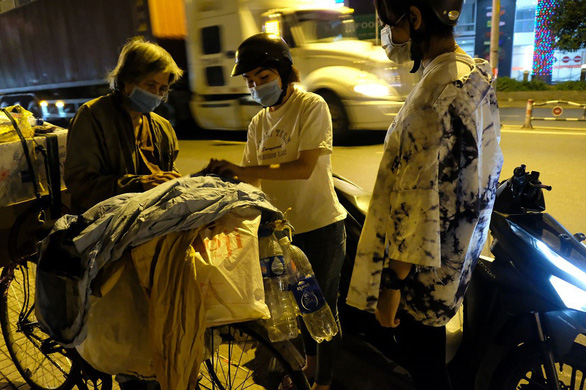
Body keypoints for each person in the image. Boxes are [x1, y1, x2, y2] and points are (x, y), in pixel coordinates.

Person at [346, 0, 504, 389]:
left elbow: (419, 206)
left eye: (390, 25)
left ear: (415, 19)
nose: (388, 36)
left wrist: (392, 285)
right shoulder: (475, 72)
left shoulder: (432, 100)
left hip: (423, 276)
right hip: (458, 256)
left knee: (426, 370)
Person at [205, 33, 347, 390]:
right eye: (250, 80)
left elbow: (303, 167)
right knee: (291, 307)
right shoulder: (258, 123)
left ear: (284, 72)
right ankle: (304, 370)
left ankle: (324, 381)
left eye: (263, 77)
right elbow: (253, 184)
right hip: (283, 231)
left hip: (320, 226)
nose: (256, 86)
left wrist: (242, 171)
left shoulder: (311, 106)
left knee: (321, 308)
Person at [64, 36, 183, 213]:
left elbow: (167, 172)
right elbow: (82, 184)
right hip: (106, 223)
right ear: (127, 80)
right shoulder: (93, 116)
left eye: (162, 89)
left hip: (154, 218)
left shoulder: (162, 127)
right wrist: (138, 185)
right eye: (150, 85)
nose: (156, 94)